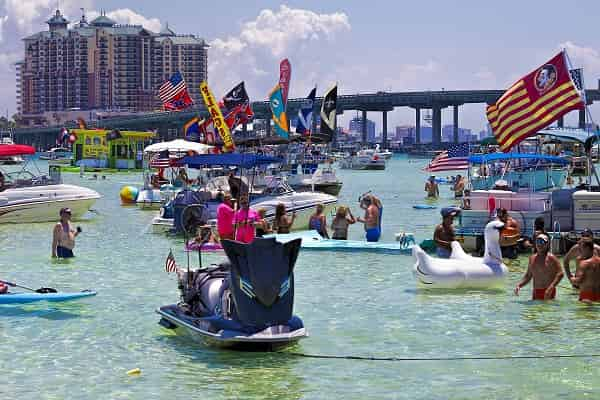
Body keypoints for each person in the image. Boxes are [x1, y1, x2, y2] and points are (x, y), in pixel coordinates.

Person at [514, 234, 563, 300]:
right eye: (537, 241)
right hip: (536, 291)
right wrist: (519, 285)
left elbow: (560, 274)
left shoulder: (551, 258)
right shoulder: (532, 258)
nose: (539, 244)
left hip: (548, 291)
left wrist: (551, 287)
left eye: (542, 242)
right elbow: (528, 275)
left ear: (547, 244)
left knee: (546, 310)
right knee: (534, 310)